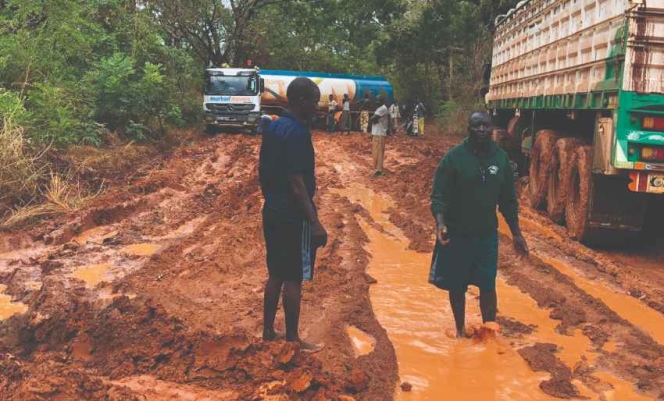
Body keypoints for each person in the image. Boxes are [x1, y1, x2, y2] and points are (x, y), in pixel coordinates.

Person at [429, 111, 528, 338]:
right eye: (477, 126)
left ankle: (488, 331)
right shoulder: (453, 159)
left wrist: (517, 233)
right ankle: (460, 330)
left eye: (485, 126)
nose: (482, 130)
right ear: (469, 129)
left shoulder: (500, 159)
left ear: (492, 128)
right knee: (456, 285)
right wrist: (441, 224)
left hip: (486, 236)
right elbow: (439, 196)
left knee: (488, 283)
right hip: (457, 233)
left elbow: (508, 201)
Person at [259, 77, 328, 352]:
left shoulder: (274, 127)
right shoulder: (298, 132)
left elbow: (263, 172)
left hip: (273, 209)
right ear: (302, 101)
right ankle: (292, 339)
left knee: (275, 273)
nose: (316, 106)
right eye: (314, 101)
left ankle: (267, 331)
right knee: (293, 277)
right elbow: (297, 183)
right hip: (293, 215)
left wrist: (271, 200)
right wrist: (314, 222)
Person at [371, 96, 389, 176]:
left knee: (379, 153)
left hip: (380, 133)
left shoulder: (383, 108)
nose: (376, 102)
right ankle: (377, 169)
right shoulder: (379, 108)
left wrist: (373, 118)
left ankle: (379, 170)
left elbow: (373, 118)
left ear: (382, 101)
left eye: (378, 100)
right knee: (376, 152)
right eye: (376, 100)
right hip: (376, 133)